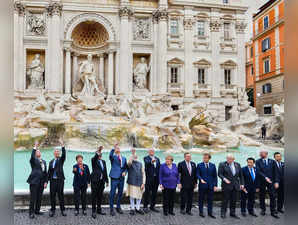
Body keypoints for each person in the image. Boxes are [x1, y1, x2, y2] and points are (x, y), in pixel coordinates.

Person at [218, 154, 244, 219]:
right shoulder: (222, 164)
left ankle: (232, 213)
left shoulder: (237, 164)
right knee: (225, 200)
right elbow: (219, 174)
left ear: (233, 159)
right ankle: (223, 213)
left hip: (235, 186)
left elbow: (241, 175)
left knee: (234, 200)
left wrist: (242, 184)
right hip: (226, 185)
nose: (228, 160)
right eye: (227, 158)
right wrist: (224, 179)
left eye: (230, 159)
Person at [27, 141, 48, 219]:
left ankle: (37, 211)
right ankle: (31, 213)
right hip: (34, 181)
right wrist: (35, 146)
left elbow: (46, 173)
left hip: (42, 182)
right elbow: (32, 155)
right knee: (33, 198)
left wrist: (46, 182)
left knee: (39, 197)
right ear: (35, 153)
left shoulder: (44, 162)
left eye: (39, 151)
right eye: (37, 151)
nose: (38, 152)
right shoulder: (33, 160)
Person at [256, 149, 279, 218]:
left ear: (266, 154)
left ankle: (273, 210)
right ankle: (263, 209)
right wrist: (265, 177)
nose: (260, 154)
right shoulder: (257, 161)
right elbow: (258, 171)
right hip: (262, 182)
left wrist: (276, 182)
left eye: (261, 153)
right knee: (262, 196)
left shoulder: (272, 161)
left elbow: (276, 172)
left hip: (271, 182)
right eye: (260, 153)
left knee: (273, 196)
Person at [48, 139, 66, 217]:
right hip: (52, 181)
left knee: (60, 195)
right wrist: (46, 181)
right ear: (54, 153)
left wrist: (62, 145)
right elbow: (49, 172)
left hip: (60, 180)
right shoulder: (51, 161)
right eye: (56, 152)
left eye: (58, 152)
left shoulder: (61, 160)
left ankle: (62, 210)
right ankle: (53, 210)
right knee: (52, 195)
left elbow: (64, 154)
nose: (57, 153)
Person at [196, 152, 218, 219]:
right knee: (201, 199)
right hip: (202, 186)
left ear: (209, 158)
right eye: (204, 158)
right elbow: (197, 174)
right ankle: (201, 212)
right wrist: (200, 179)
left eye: (206, 158)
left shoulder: (213, 165)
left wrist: (215, 185)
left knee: (210, 200)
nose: (204, 159)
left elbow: (215, 176)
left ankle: (210, 213)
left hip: (211, 186)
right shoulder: (199, 165)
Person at [109, 143, 127, 216]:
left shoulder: (124, 158)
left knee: (120, 193)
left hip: (121, 178)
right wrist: (114, 148)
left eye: (118, 148)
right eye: (117, 149)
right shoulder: (113, 157)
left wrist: (125, 172)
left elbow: (126, 168)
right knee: (112, 193)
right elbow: (110, 155)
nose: (118, 149)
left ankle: (118, 207)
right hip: (114, 177)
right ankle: (111, 208)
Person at [90, 146, 108, 219]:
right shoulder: (93, 160)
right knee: (94, 196)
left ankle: (99, 210)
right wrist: (98, 151)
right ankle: (93, 211)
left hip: (102, 181)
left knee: (100, 196)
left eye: (101, 154)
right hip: (95, 181)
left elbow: (105, 171)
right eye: (98, 154)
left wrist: (107, 180)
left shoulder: (103, 162)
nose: (100, 155)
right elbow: (95, 157)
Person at [126, 148, 146, 215]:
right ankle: (132, 208)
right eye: (134, 156)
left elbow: (143, 173)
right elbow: (128, 163)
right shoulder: (130, 163)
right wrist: (132, 154)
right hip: (132, 182)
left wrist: (143, 183)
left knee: (139, 196)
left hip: (140, 182)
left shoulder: (140, 163)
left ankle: (137, 208)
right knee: (132, 196)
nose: (135, 157)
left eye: (136, 156)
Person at [143, 148, 160, 213]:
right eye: (150, 151)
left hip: (156, 179)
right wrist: (151, 162)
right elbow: (147, 163)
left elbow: (159, 168)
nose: (152, 152)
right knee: (147, 193)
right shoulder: (146, 158)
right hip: (149, 179)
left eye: (152, 151)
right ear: (148, 152)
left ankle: (152, 206)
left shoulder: (157, 158)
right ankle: (145, 206)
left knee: (154, 193)